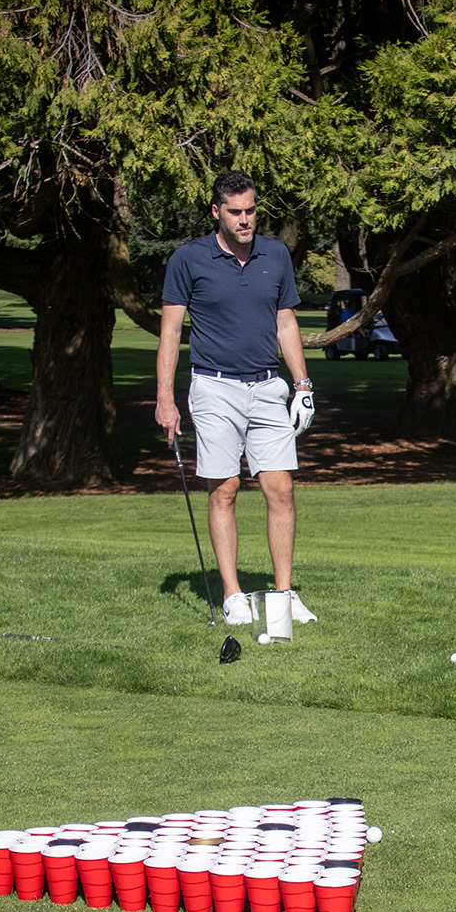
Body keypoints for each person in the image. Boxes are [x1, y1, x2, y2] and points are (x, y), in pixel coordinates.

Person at [154, 171, 319, 626]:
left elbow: (285, 322)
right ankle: (232, 594)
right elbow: (170, 332)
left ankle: (283, 595)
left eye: (250, 211)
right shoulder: (189, 259)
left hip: (268, 387)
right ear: (216, 212)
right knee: (224, 490)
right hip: (214, 387)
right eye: (235, 212)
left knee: (280, 488)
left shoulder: (276, 254)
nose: (245, 220)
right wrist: (165, 398)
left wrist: (302, 385)